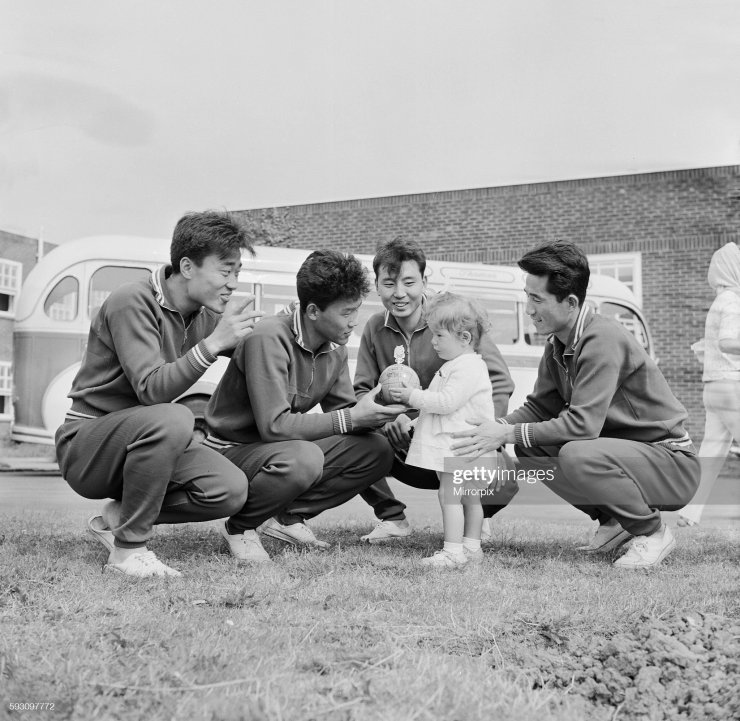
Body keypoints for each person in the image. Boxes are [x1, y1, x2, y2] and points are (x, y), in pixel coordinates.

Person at [451, 240, 700, 568]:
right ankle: (614, 522)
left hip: (671, 463)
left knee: (576, 453)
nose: (528, 309)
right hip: (626, 455)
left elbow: (583, 425)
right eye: (527, 296)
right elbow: (540, 408)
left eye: (537, 299)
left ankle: (652, 533)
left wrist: (507, 434)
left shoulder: (602, 339)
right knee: (531, 448)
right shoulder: (557, 342)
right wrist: (496, 427)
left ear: (570, 303)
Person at [55, 210, 263, 577]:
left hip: (143, 441)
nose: (233, 284)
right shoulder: (132, 300)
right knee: (176, 417)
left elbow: (254, 345)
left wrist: (291, 327)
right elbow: (151, 389)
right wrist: (213, 344)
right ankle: (128, 551)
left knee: (229, 489)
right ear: (187, 267)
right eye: (225, 272)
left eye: (238, 272)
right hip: (87, 445)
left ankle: (120, 517)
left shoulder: (203, 315)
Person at [203, 250, 405, 563]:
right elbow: (275, 426)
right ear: (312, 311)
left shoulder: (335, 347)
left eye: (357, 310)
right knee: (303, 458)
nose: (355, 321)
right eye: (346, 313)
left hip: (277, 451)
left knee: (375, 449)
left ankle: (285, 517)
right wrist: (353, 417)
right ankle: (240, 527)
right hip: (230, 450)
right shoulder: (268, 337)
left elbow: (347, 414)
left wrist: (383, 412)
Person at [353, 236, 516, 543]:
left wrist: (485, 436)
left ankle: (474, 519)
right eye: (388, 284)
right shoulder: (374, 327)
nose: (399, 293)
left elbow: (499, 383)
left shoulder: (451, 317)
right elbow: (362, 391)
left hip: (459, 442)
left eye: (409, 282)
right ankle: (392, 518)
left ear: (424, 282)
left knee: (504, 474)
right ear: (377, 286)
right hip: (405, 445)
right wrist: (389, 421)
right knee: (354, 443)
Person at [389, 292, 499, 567]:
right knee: (471, 497)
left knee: (449, 496)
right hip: (468, 448)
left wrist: (412, 396)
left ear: (464, 337)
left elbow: (446, 402)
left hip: (459, 448)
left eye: (439, 335)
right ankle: (471, 547)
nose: (433, 341)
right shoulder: (464, 365)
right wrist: (417, 422)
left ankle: (453, 551)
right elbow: (446, 411)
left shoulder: (465, 368)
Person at [678, 242, 740, 526]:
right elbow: (727, 342)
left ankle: (689, 512)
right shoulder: (732, 301)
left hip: (713, 388)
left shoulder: (718, 302)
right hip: (730, 387)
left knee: (711, 453)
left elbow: (713, 344)